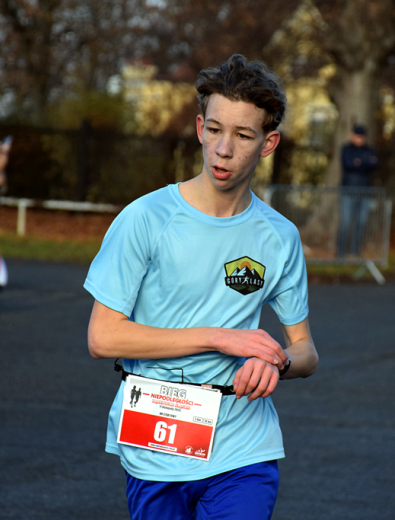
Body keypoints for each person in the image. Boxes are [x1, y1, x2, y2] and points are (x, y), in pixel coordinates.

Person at [84, 54, 319, 520]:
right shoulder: (145, 219)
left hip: (243, 444)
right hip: (155, 438)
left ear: (268, 143)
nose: (223, 149)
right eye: (215, 130)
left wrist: (279, 363)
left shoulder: (279, 236)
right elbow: (102, 338)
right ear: (199, 127)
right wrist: (218, 336)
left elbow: (306, 349)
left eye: (243, 135)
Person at [338, 124, 379, 256]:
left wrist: (360, 162)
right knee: (345, 222)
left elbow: (375, 163)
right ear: (352, 136)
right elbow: (348, 163)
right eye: (357, 136)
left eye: (362, 137)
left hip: (365, 192)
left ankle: (355, 252)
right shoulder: (346, 149)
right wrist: (364, 163)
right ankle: (341, 253)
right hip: (348, 192)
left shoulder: (369, 150)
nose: (359, 139)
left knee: (361, 223)